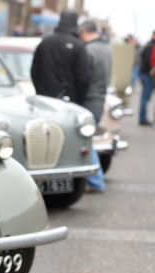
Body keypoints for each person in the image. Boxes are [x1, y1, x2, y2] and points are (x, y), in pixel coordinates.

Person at [31, 10, 90, 106]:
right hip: (68, 101)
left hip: (45, 99)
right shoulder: (78, 46)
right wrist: (79, 99)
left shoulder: (45, 43)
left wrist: (40, 91)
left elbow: (34, 71)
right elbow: (83, 78)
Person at [79, 19, 112, 192]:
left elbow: (84, 78)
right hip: (100, 99)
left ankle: (96, 182)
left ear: (85, 31)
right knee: (90, 141)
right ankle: (95, 180)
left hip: (88, 100)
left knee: (86, 142)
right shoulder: (107, 50)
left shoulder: (89, 50)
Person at [138, 31, 155, 126]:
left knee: (146, 97)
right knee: (145, 98)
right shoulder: (150, 46)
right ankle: (142, 118)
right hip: (148, 75)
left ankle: (143, 118)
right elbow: (149, 61)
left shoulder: (149, 45)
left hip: (147, 74)